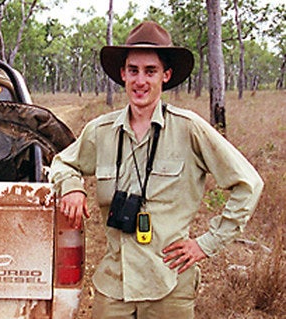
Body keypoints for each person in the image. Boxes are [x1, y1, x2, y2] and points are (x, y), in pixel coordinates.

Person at [49, 21, 264, 319]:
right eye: (133, 70)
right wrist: (71, 186)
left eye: (150, 71)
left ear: (166, 75)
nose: (140, 80)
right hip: (114, 283)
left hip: (168, 282)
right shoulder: (100, 131)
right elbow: (62, 162)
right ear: (123, 74)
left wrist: (206, 244)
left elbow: (248, 184)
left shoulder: (189, 128)